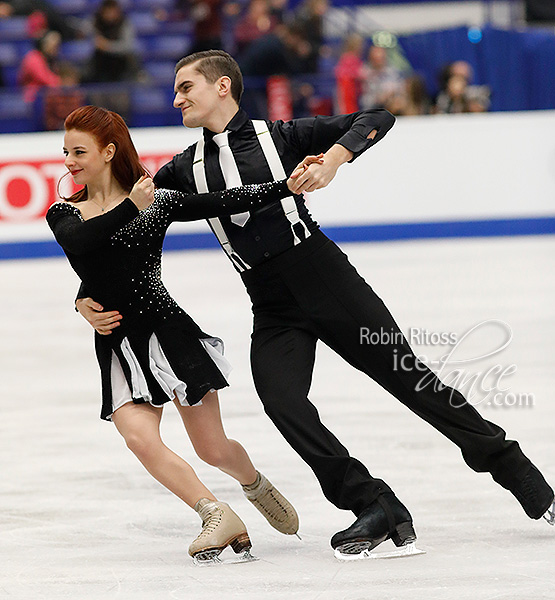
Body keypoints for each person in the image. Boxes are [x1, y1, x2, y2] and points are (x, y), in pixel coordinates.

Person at [75, 51, 555, 559]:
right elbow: (120, 241)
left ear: (222, 87)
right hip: (271, 303)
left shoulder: (282, 136)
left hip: (326, 280)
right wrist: (84, 297)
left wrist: (334, 159)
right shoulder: (181, 170)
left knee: (410, 381)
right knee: (283, 403)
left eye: (185, 87)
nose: (176, 99)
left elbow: (377, 118)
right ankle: (374, 504)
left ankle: (521, 476)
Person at [46, 105, 314, 561]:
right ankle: (213, 512)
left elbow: (225, 201)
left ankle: (253, 482)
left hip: (167, 331)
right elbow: (86, 249)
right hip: (117, 343)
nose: (69, 161)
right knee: (138, 437)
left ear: (108, 152)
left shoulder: (158, 203)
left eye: (79, 151)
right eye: (66, 151)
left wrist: (283, 186)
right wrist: (81, 298)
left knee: (212, 448)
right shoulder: (65, 212)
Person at [18, 30, 61, 103]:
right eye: (53, 45)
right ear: (43, 44)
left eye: (57, 46)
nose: (55, 49)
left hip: (47, 98)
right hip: (33, 100)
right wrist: (63, 83)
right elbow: (45, 80)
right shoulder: (33, 58)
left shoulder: (51, 60)